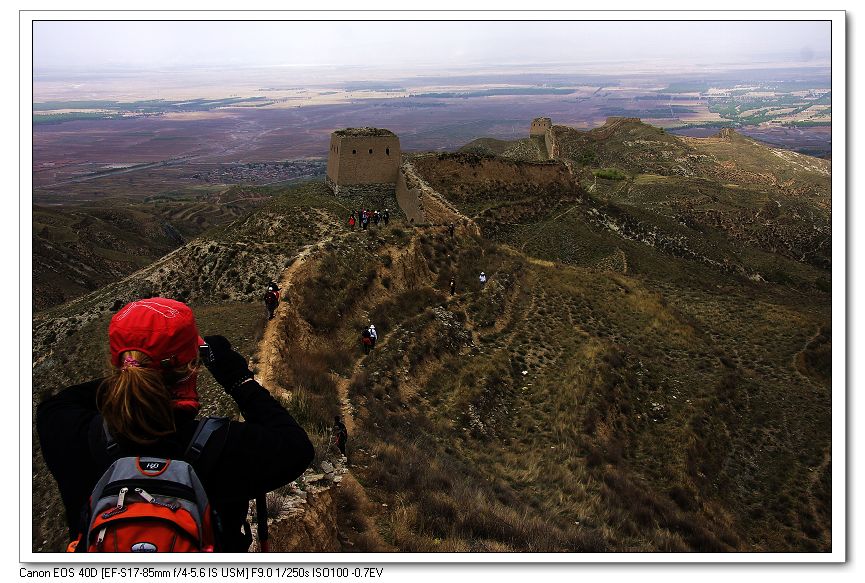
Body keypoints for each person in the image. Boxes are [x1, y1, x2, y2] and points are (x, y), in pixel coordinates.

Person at [36, 298, 314, 553]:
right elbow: (298, 446)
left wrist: (133, 372)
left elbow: (60, 401)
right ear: (192, 367)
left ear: (117, 367)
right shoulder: (225, 449)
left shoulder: (69, 432)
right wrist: (237, 377)